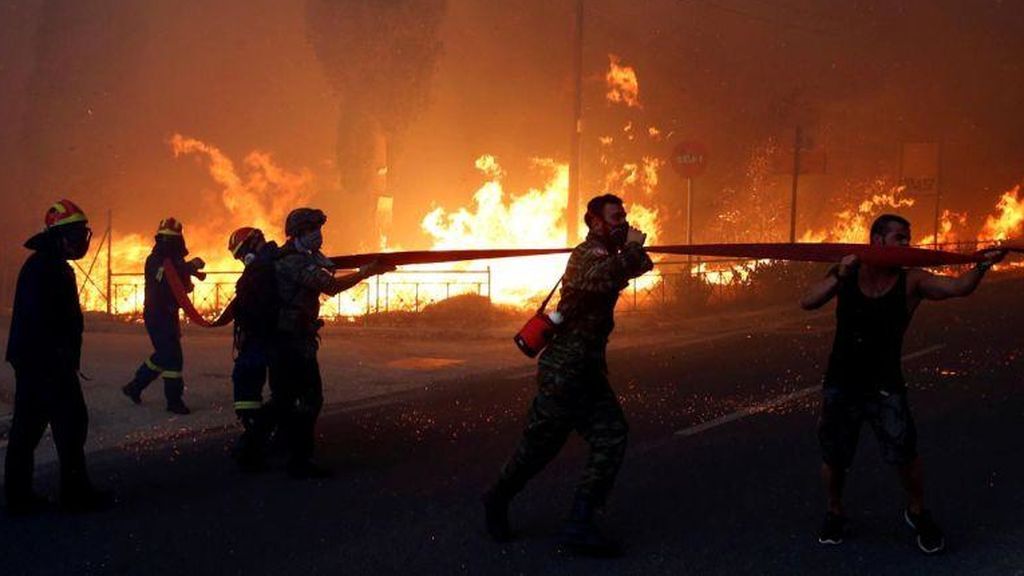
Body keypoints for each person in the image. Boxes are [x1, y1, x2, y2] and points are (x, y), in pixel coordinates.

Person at [800, 213, 1007, 554]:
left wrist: (982, 265)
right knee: (835, 458)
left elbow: (958, 288)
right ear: (878, 241)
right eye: (900, 238)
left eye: (908, 238)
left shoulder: (911, 281)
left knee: (905, 456)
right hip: (842, 382)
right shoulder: (847, 273)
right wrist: (840, 274)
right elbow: (807, 301)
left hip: (885, 385)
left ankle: (917, 512)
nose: (907, 244)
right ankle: (835, 512)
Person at [483, 193, 653, 555]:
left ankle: (580, 522)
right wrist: (632, 250)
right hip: (563, 372)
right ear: (595, 222)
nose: (622, 222)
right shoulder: (585, 256)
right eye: (615, 217)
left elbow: (642, 265)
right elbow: (602, 278)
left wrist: (634, 250)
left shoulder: (611, 255)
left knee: (611, 436)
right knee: (538, 449)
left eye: (624, 216)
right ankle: (496, 499)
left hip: (587, 372)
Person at [4, 199, 113, 515]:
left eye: (83, 233)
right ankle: (74, 495)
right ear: (58, 235)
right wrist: (58, 358)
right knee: (69, 423)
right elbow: (45, 321)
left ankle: (19, 496)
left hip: (39, 361)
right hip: (46, 363)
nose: (81, 241)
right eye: (76, 233)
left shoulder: (47, 265)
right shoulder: (46, 269)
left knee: (30, 427)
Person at [271, 208, 393, 478]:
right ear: (298, 233)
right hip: (291, 342)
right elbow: (330, 286)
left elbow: (326, 267)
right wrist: (366, 272)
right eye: (312, 230)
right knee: (310, 399)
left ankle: (272, 445)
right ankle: (299, 460)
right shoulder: (293, 261)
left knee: (285, 398)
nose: (318, 235)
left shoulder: (304, 257)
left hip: (291, 339)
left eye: (319, 229)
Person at [122, 218, 206, 414]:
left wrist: (189, 277)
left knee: (165, 355)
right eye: (167, 239)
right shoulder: (154, 260)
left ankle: (135, 386)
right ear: (160, 239)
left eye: (174, 239)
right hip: (156, 314)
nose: (170, 243)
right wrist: (189, 267)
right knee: (172, 357)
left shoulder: (176, 260)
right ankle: (173, 401)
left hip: (169, 313)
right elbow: (166, 276)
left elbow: (182, 286)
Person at [226, 227, 280, 472]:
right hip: (261, 336)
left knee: (246, 383)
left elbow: (259, 304)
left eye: (241, 253)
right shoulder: (269, 262)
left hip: (262, 336)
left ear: (253, 244)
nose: (241, 259)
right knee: (262, 388)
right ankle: (259, 437)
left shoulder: (264, 266)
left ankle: (253, 441)